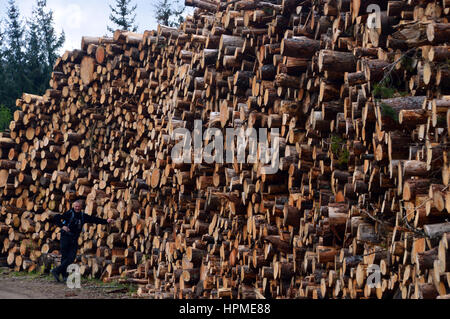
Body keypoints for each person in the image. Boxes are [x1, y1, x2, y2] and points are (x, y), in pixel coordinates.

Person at [50, 200, 115, 283]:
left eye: (78, 207)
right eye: (75, 206)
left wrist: (106, 221)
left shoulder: (82, 216)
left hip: (74, 238)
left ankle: (56, 271)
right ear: (73, 206)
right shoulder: (69, 213)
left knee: (71, 257)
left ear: (81, 207)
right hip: (65, 237)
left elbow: (93, 219)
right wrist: (62, 226)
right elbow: (56, 218)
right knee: (65, 257)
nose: (77, 208)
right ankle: (64, 276)